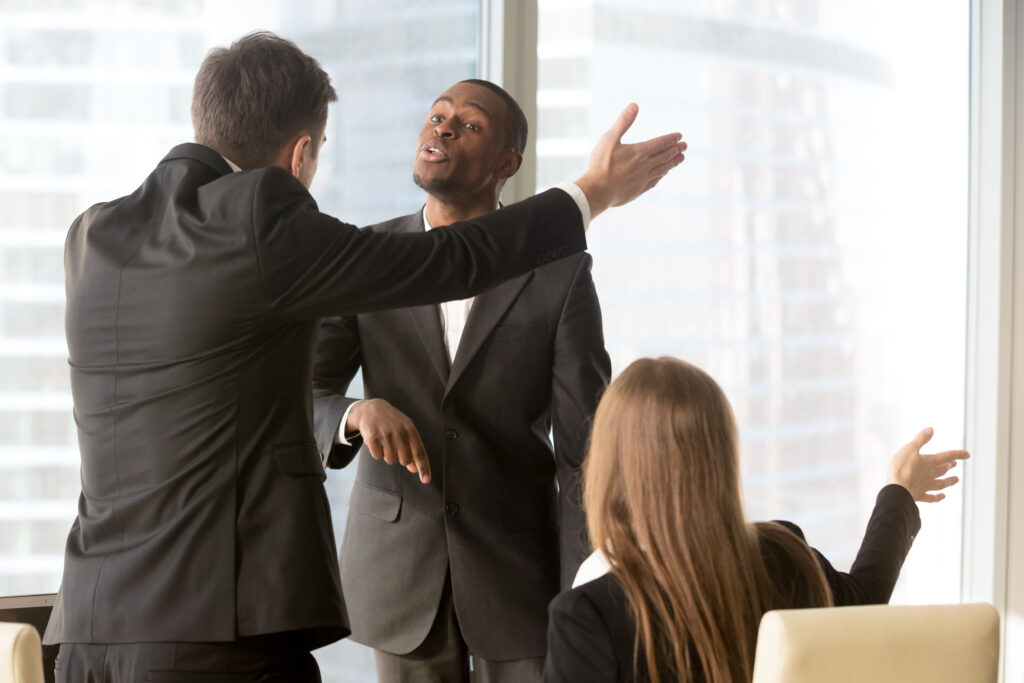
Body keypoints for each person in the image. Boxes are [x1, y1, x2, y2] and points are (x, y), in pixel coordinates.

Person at [42, 31, 686, 682]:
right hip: (218, 637)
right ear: (299, 156)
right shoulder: (262, 218)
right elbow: (450, 261)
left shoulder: (92, 235)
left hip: (90, 631)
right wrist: (591, 193)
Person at [312, 79, 611, 683]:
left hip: (519, 576)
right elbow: (301, 393)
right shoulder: (366, 256)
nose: (443, 128)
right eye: (436, 116)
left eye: (469, 124)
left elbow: (585, 450)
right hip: (399, 575)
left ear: (507, 164)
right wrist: (355, 414)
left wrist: (585, 589)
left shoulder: (560, 275)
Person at [543, 357, 969, 683]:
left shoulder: (586, 616)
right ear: (721, 458)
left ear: (610, 467)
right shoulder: (783, 554)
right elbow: (864, 600)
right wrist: (898, 493)